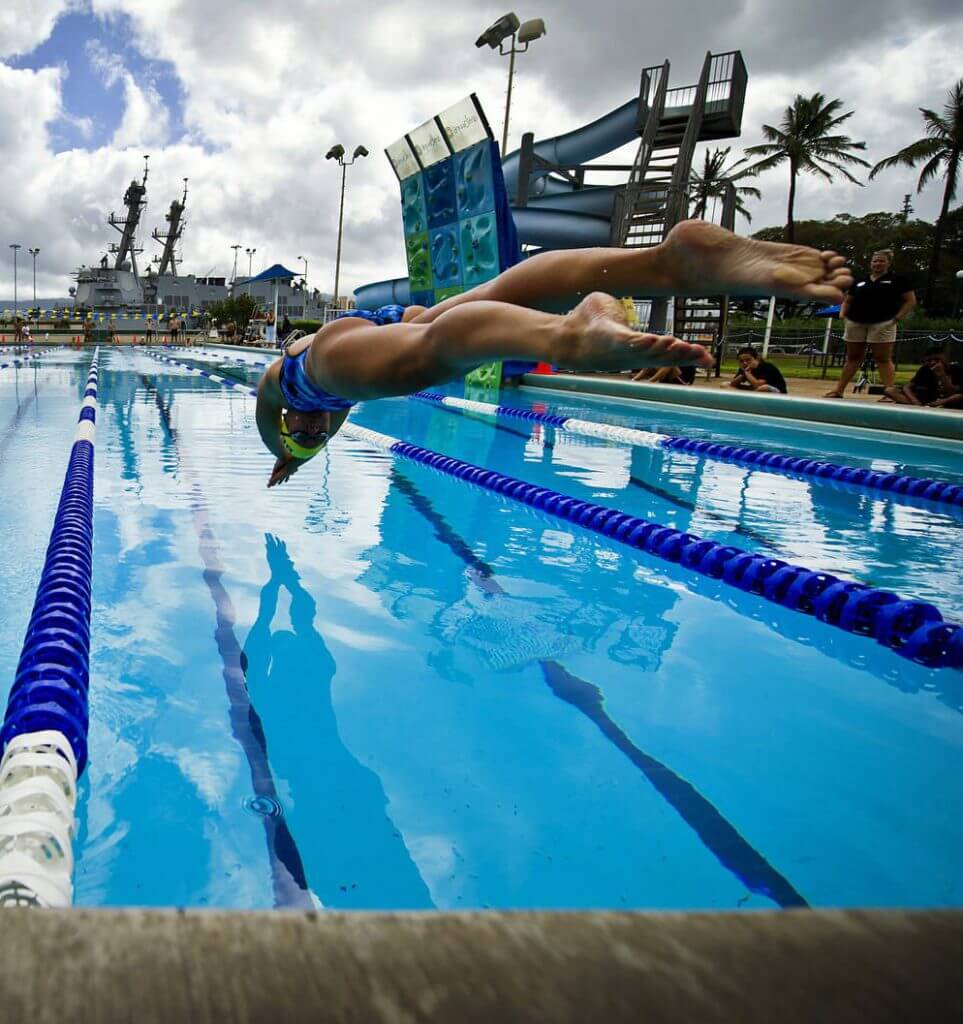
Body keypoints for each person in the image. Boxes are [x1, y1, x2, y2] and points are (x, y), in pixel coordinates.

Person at [256, 220, 852, 487]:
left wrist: (283, 453)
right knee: (498, 290)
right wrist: (302, 456)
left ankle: (566, 335)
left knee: (431, 355)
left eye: (302, 431)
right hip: (382, 324)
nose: (311, 429)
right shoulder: (332, 404)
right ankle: (663, 264)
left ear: (292, 419)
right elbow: (319, 426)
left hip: (326, 357)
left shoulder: (289, 386)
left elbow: (271, 418)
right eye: (313, 434)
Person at [825, 248, 916, 398]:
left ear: (888, 263)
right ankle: (839, 390)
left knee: (882, 358)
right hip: (856, 322)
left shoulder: (898, 280)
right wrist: (843, 315)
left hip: (882, 322)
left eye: (881, 261)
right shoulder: (861, 280)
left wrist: (897, 318)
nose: (877, 264)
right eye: (875, 261)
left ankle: (889, 392)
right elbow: (848, 300)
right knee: (853, 357)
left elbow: (910, 301)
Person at [883, 345, 963, 408]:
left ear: (945, 359)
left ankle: (930, 405)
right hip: (929, 399)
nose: (932, 363)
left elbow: (954, 393)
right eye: (929, 361)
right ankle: (923, 407)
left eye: (937, 360)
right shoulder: (925, 369)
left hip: (950, 400)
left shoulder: (957, 370)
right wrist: (915, 401)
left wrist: (941, 375)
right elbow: (907, 387)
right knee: (889, 390)